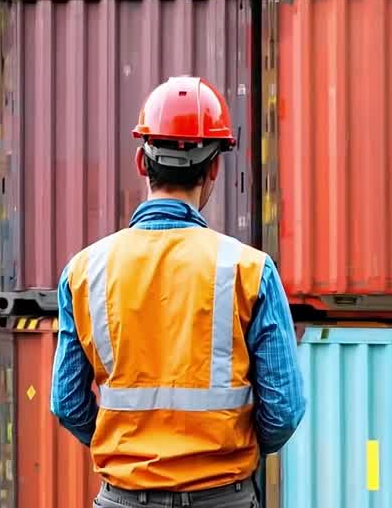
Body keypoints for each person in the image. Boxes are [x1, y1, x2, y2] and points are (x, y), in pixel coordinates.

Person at [51, 75, 306, 508]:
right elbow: (283, 411)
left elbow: (68, 403)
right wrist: (225, 454)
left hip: (124, 498)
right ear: (214, 168)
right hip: (223, 498)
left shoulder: (84, 270)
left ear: (140, 161)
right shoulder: (249, 270)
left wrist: (130, 454)